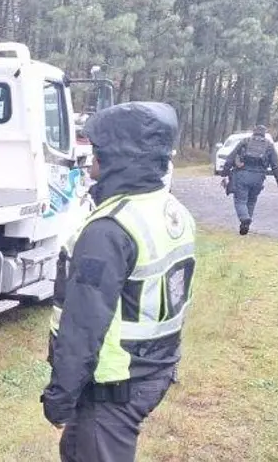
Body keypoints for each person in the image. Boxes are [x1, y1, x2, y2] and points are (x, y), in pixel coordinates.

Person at [41, 101, 196, 462]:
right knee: (76, 449)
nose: (89, 160)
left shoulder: (109, 230)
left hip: (115, 384)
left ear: (118, 158)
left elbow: (83, 325)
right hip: (154, 368)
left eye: (96, 151)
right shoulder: (169, 209)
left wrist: (60, 397)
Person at [221, 125, 278, 235]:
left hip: (242, 174)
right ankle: (246, 224)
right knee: (252, 200)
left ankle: (244, 219)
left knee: (240, 200)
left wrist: (224, 173)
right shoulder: (269, 145)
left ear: (254, 132)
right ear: (264, 133)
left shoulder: (245, 141)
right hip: (259, 178)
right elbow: (275, 165)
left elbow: (231, 157)